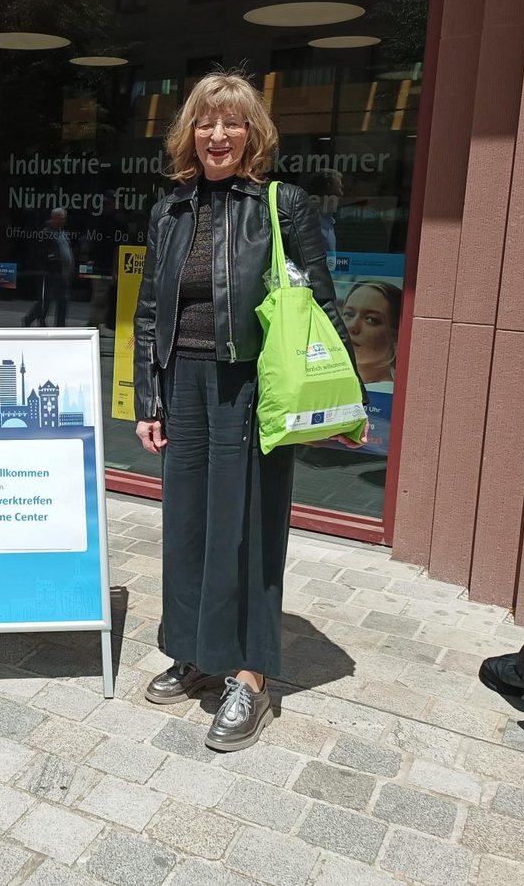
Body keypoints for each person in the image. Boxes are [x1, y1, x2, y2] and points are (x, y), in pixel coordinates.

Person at [133, 71, 365, 751]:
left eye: (232, 122)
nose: (218, 135)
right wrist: (150, 399)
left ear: (251, 133)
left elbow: (319, 300)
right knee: (188, 529)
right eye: (206, 122)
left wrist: (346, 397)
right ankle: (195, 651)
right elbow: (149, 311)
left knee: (252, 530)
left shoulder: (281, 204)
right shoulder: (169, 211)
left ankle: (250, 675)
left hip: (255, 386)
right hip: (184, 383)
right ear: (190, 133)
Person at [341, 280, 401, 384]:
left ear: (396, 338)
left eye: (371, 319)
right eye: (349, 314)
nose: (352, 326)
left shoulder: (391, 393)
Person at [22, 207, 73, 327]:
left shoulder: (63, 233)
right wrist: (46, 268)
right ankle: (29, 319)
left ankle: (60, 326)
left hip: (64, 273)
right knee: (46, 301)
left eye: (64, 218)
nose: (63, 221)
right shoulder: (46, 233)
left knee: (63, 301)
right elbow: (39, 253)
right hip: (51, 273)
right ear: (53, 218)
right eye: (60, 218)